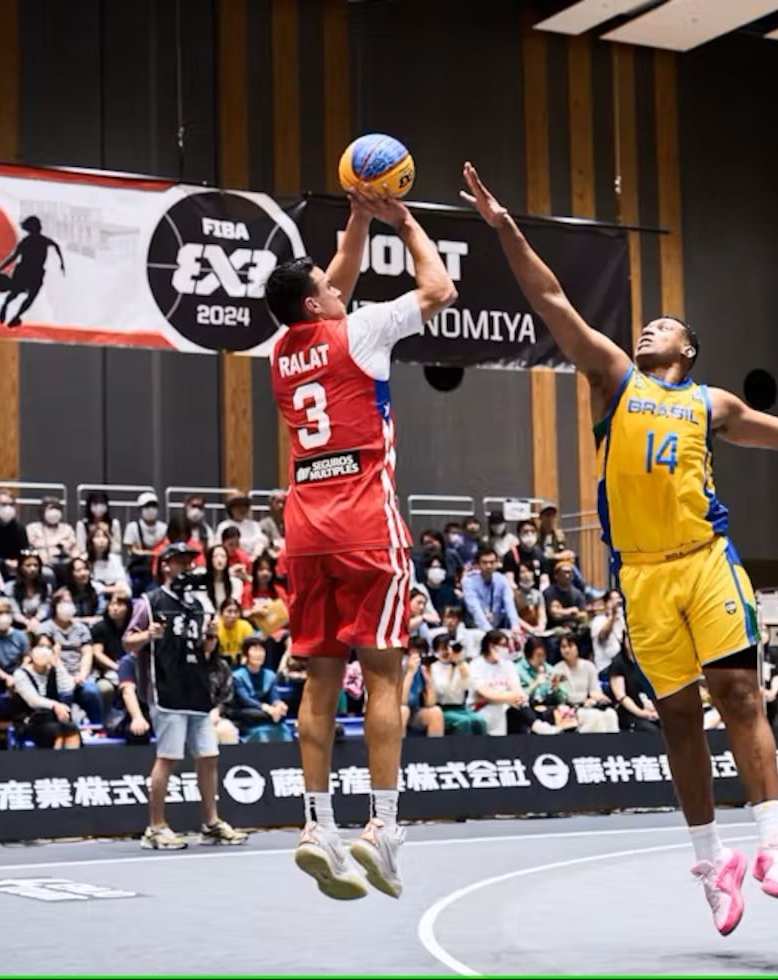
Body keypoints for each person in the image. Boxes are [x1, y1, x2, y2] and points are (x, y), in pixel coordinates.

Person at [461, 162, 778, 932]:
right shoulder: (614, 377)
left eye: (666, 326)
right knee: (678, 719)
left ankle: (776, 843)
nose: (651, 327)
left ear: (690, 349)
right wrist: (504, 226)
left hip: (705, 558)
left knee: (741, 695)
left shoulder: (709, 402)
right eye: (648, 323)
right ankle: (715, 865)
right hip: (641, 577)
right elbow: (551, 300)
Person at [265, 185, 457, 900]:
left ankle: (315, 825)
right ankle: (381, 827)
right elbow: (440, 288)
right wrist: (403, 220)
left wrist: (354, 217)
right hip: (365, 527)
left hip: (304, 531)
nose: (334, 280)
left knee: (318, 680)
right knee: (384, 674)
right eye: (323, 282)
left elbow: (334, 279)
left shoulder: (283, 351)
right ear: (317, 303)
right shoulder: (365, 330)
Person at [123, 542, 247, 850]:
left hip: (196, 689)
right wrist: (147, 635)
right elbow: (127, 643)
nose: (186, 567)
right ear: (166, 565)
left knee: (209, 756)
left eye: (190, 562)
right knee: (168, 758)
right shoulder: (150, 601)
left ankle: (211, 823)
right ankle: (155, 828)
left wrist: (211, 637)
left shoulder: (199, 603)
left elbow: (204, 652)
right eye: (180, 562)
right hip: (166, 690)